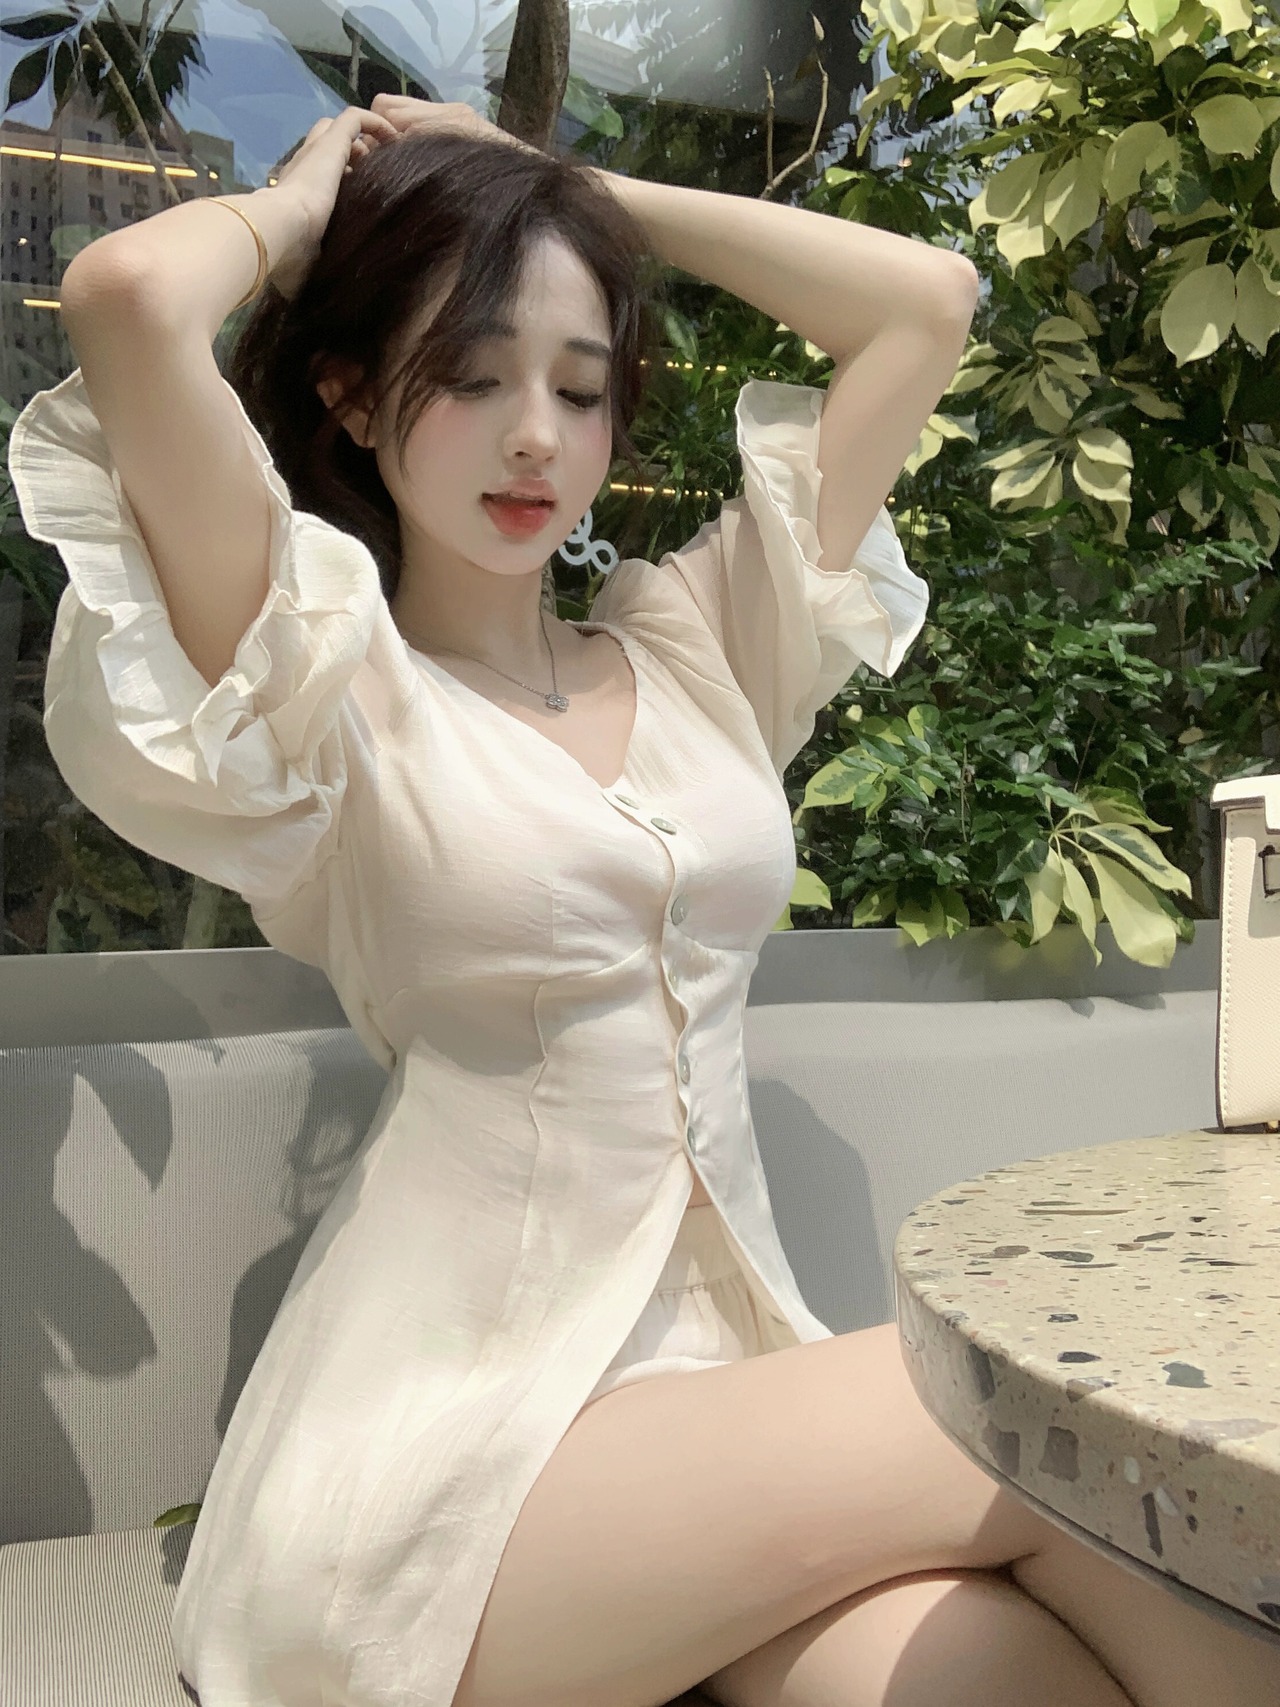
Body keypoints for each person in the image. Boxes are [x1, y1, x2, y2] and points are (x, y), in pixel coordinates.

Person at [9, 95, 1280, 1707]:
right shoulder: (324, 687)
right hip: (458, 1464)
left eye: (581, 384)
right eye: (471, 376)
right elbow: (128, 295)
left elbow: (924, 302)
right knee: (1067, 1430)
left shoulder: (695, 642)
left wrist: (570, 190)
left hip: (721, 1403)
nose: (536, 435)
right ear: (353, 393)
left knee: (1021, 1671)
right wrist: (314, 200)